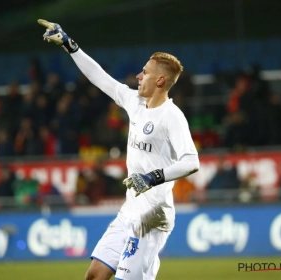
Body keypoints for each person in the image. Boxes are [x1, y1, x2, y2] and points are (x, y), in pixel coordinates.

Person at [37, 20, 200, 280]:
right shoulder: (135, 102)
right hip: (129, 211)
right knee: (94, 275)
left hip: (152, 215)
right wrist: (69, 44)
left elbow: (192, 161)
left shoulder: (172, 116)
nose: (138, 75)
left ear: (160, 80)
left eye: (144, 72)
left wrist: (151, 177)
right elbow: (99, 77)